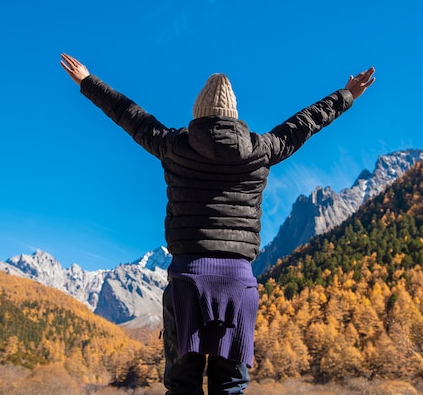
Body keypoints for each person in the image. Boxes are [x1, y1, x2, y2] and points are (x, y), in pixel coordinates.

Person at [60, 53, 375, 395]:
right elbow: (304, 123)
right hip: (237, 284)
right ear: (234, 115)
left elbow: (129, 114)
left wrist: (88, 81)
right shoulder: (262, 149)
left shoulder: (173, 146)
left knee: (183, 385)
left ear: (198, 113)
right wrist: (346, 95)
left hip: (188, 281)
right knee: (231, 385)